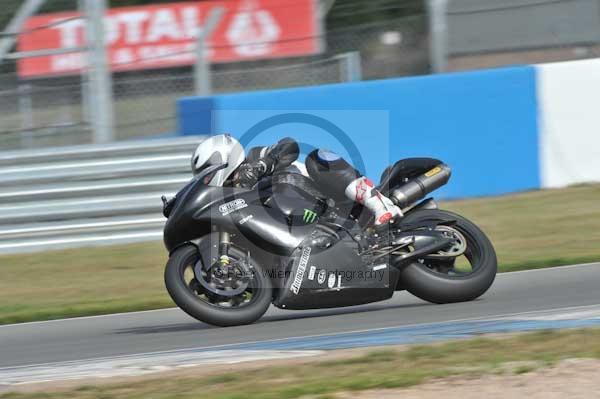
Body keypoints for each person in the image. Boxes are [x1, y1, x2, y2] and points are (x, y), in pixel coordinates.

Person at [234, 137, 402, 226]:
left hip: (334, 198)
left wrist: (263, 164)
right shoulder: (232, 207)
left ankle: (380, 205)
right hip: (313, 228)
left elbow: (289, 145)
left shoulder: (254, 157)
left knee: (317, 158)